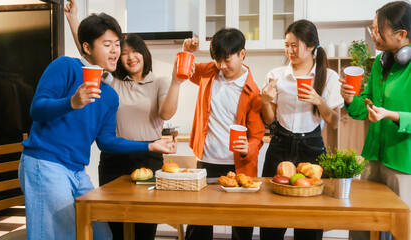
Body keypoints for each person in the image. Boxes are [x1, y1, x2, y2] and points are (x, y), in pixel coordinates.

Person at [19, 12, 176, 240]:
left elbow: (106, 141)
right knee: (59, 234)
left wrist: (150, 146)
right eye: (107, 44)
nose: (115, 51)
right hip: (46, 162)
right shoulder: (65, 66)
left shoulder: (110, 95)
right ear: (87, 47)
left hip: (76, 170)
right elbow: (37, 109)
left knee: (102, 234)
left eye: (116, 44)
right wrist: (71, 102)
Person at [64, 1, 185, 239]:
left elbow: (166, 114)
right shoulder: (112, 82)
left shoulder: (160, 82)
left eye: (134, 51)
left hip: (148, 158)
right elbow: (89, 50)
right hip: (114, 159)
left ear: (144, 53)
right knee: (114, 227)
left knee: (144, 226)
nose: (129, 57)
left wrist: (177, 81)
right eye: (124, 52)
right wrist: (72, 19)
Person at [176, 28, 265, 240]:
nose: (222, 66)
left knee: (241, 225)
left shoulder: (252, 91)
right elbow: (185, 71)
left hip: (238, 165)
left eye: (226, 60)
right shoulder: (210, 71)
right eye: (217, 60)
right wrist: (186, 52)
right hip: (206, 161)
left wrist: (248, 148)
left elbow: (258, 135)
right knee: (199, 223)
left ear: (242, 54)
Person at [260, 19, 343, 240]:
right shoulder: (276, 75)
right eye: (287, 45)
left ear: (311, 45)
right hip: (280, 144)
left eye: (294, 45)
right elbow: (269, 120)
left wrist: (319, 101)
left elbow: (334, 121)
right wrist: (265, 102)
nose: (289, 50)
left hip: (312, 148)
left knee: (310, 220)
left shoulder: (329, 77)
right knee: (271, 217)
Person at [340, 2, 411, 240]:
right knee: (361, 224)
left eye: (379, 30)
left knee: (400, 230)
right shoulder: (382, 65)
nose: (373, 35)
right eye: (372, 29)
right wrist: (351, 100)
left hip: (402, 163)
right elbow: (365, 108)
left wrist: (390, 115)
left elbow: (385, 113)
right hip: (373, 157)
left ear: (402, 34)